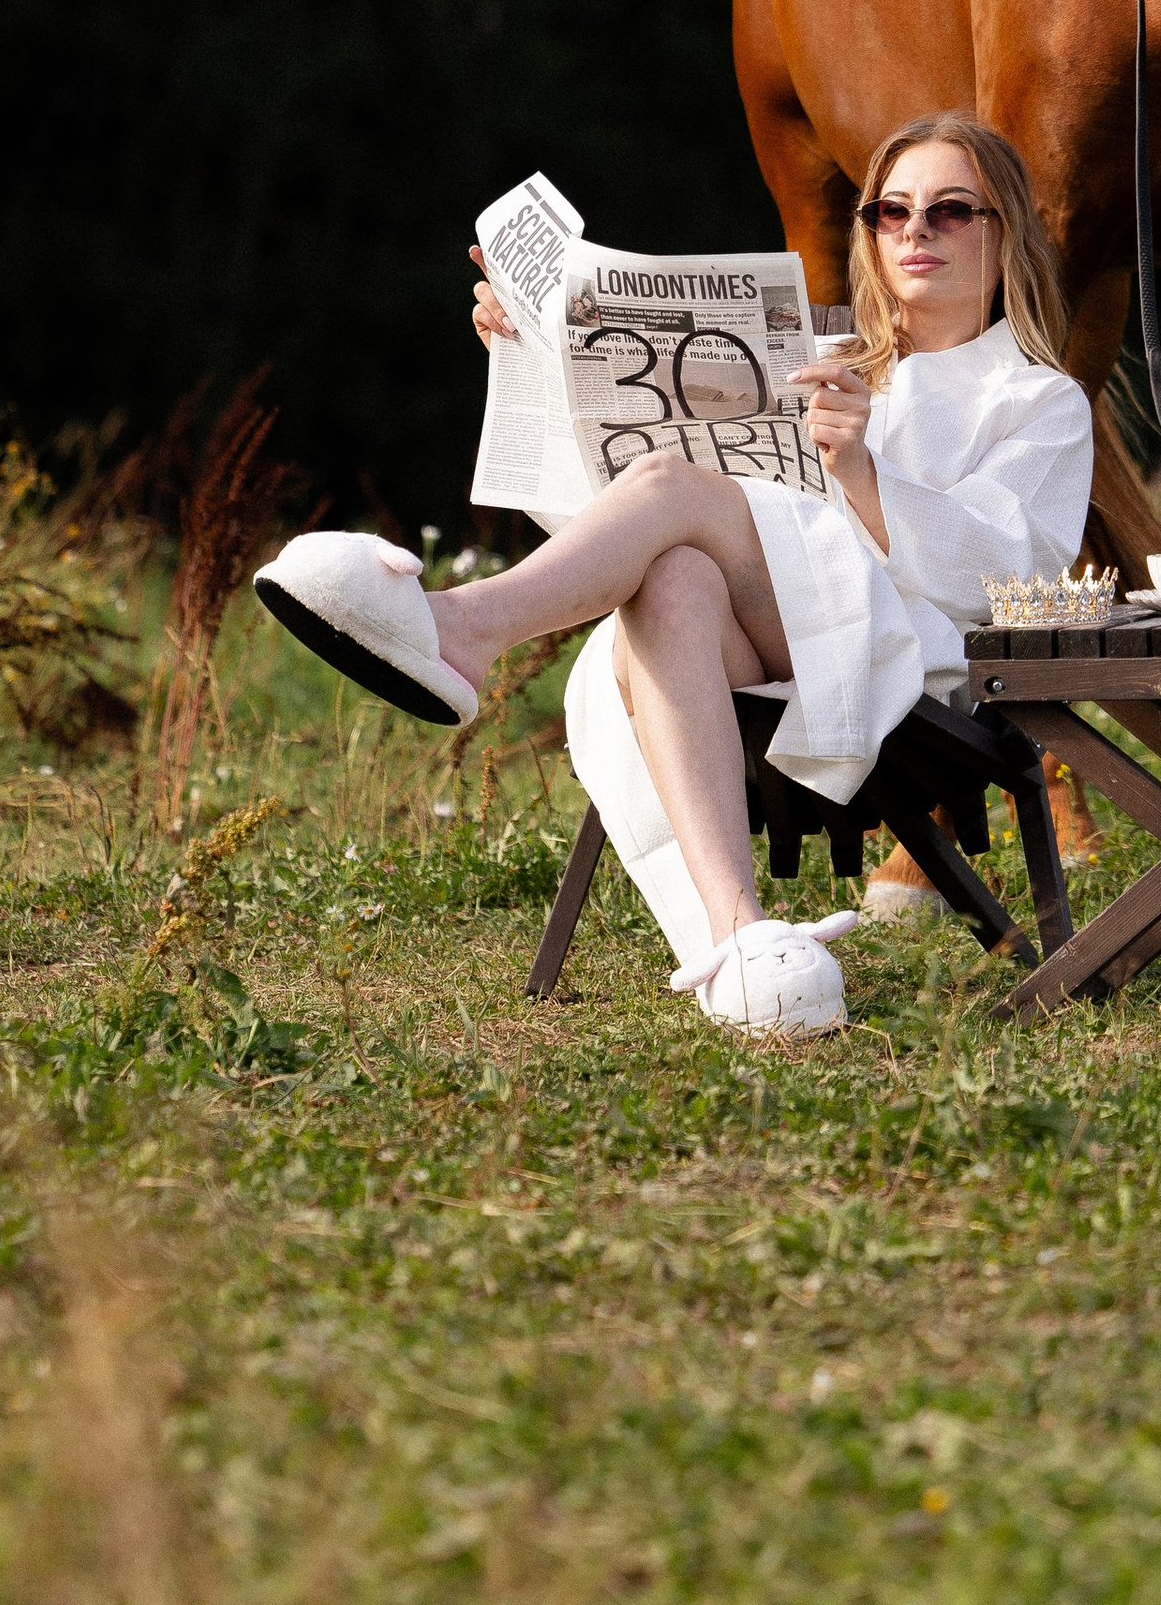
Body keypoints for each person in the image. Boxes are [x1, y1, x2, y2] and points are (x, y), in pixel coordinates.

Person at [255, 115, 1094, 1039]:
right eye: (889, 211)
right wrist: (527, 359)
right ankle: (741, 936)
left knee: (672, 493)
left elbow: (1013, 572)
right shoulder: (821, 364)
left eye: (948, 212)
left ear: (1005, 229)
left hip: (906, 657)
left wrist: (863, 475)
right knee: (675, 575)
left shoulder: (1038, 399)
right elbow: (607, 530)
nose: (914, 232)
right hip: (766, 637)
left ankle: (460, 629)